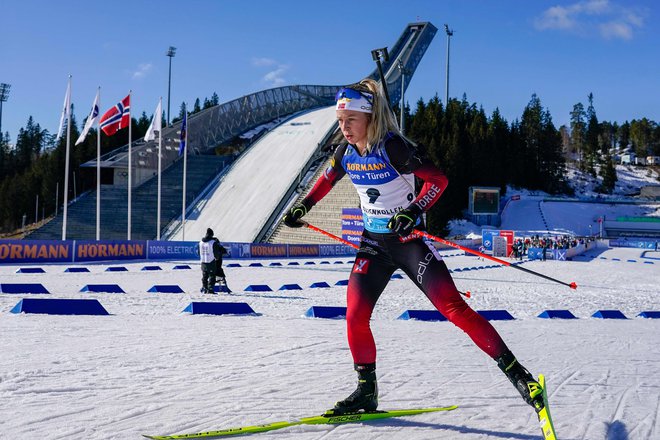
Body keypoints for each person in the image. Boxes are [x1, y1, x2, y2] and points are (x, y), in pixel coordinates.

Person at [283, 79, 544, 416]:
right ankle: (366, 393)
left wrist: (413, 211)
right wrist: (305, 206)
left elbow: (439, 181)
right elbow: (328, 179)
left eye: (351, 119)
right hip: (373, 246)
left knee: (454, 309)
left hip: (408, 243)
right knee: (355, 316)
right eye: (340, 120)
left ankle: (521, 377)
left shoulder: (393, 148)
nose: (343, 127)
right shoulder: (344, 153)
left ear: (369, 117)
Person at [199, 228, 228, 294]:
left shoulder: (201, 242)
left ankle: (204, 288)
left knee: (204, 275)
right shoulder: (213, 242)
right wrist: (217, 258)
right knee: (212, 275)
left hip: (203, 261)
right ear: (212, 234)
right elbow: (216, 252)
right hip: (211, 261)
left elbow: (198, 252)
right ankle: (210, 289)